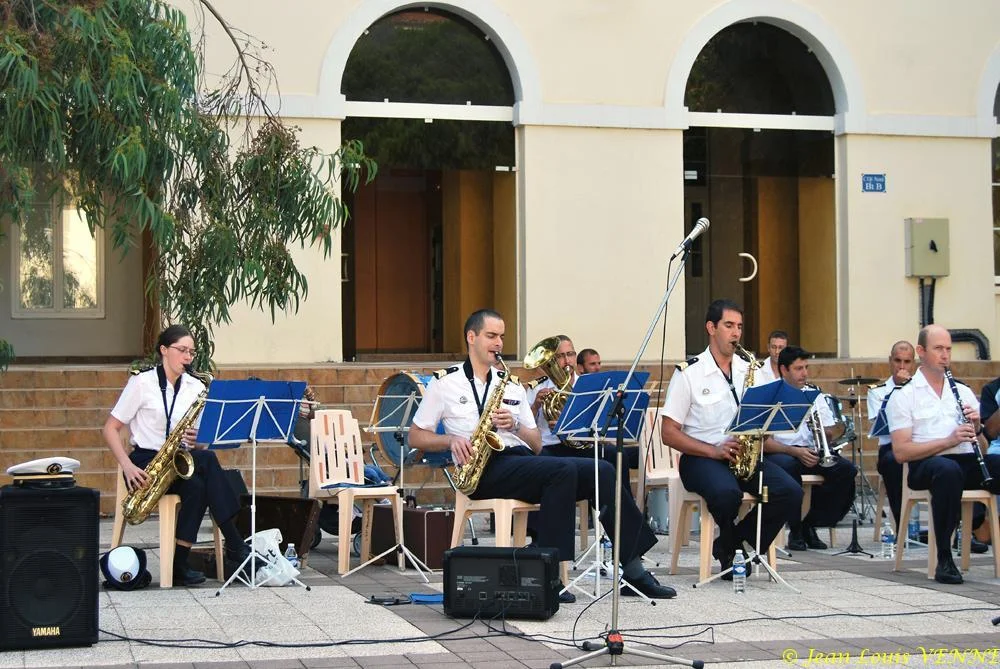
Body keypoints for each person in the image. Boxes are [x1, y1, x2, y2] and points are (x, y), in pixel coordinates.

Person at [409, 309, 675, 599]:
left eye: (501, 336)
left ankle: (633, 570)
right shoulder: (445, 383)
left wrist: (517, 426)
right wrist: (450, 440)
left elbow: (535, 443)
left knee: (603, 469)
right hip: (480, 469)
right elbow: (416, 436)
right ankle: (547, 574)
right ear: (471, 337)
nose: (499, 343)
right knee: (561, 472)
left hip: (519, 458)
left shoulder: (509, 383)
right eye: (491, 336)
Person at [661, 299, 801, 578]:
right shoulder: (689, 373)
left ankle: (730, 544)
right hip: (701, 458)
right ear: (711, 328)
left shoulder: (751, 370)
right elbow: (668, 432)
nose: (736, 333)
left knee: (790, 490)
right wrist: (713, 451)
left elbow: (766, 420)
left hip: (742, 456)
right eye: (728, 326)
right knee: (728, 495)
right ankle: (734, 550)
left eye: (739, 326)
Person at [102, 325, 250, 586]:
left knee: (199, 480)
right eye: (182, 350)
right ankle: (235, 545)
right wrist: (126, 465)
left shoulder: (195, 386)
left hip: (180, 460)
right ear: (163, 350)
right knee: (206, 466)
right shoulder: (142, 382)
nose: (188, 357)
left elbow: (201, 445)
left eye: (191, 352)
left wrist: (200, 440)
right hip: (145, 462)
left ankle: (181, 563)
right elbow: (110, 429)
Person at [887, 324, 1000, 584]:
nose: (945, 355)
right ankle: (945, 559)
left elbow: (981, 448)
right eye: (938, 349)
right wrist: (947, 441)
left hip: (966, 462)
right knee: (947, 471)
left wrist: (977, 428)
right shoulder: (904, 396)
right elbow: (901, 452)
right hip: (925, 465)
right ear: (921, 351)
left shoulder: (962, 392)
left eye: (948, 349)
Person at [764, 346, 857, 551]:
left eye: (806, 367)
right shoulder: (770, 396)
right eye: (798, 368)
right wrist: (795, 452)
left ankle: (811, 522)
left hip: (811, 451)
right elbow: (764, 443)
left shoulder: (815, 395)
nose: (804, 373)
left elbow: (830, 430)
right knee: (790, 467)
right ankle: (795, 529)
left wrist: (825, 433)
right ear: (783, 370)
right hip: (782, 453)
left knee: (846, 471)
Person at [868, 340, 915, 536]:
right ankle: (903, 526)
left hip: (920, 444)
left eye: (907, 361)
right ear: (890, 361)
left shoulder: (921, 389)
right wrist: (900, 391)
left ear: (914, 363)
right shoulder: (877, 392)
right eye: (897, 360)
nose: (902, 366)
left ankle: (955, 530)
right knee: (893, 463)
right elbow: (881, 428)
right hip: (891, 447)